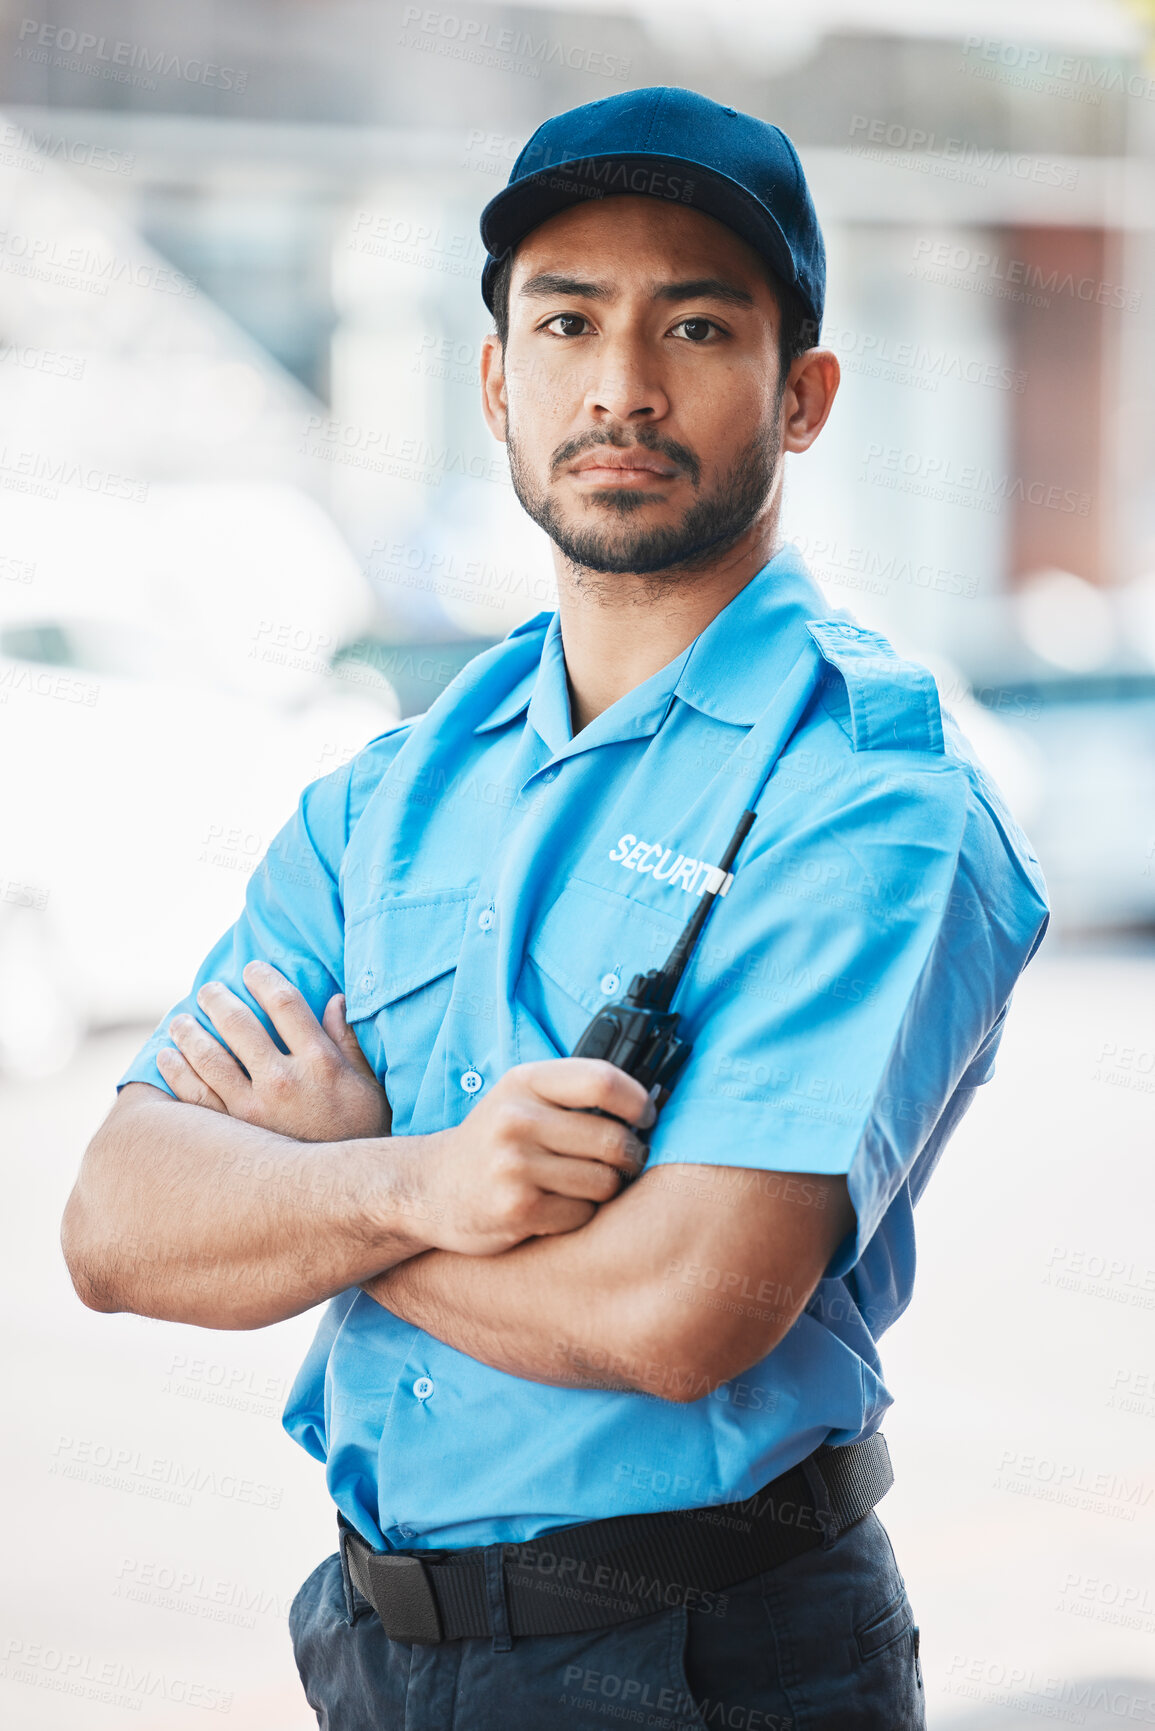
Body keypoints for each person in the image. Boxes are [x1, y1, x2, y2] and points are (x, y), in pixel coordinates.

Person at [62, 86, 1050, 1730]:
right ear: (496, 380)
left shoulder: (872, 801)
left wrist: (320, 1195)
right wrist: (438, 1181)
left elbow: (682, 1311)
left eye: (698, 326)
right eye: (569, 319)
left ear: (800, 396)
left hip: (706, 1655)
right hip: (377, 1653)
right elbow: (118, 1222)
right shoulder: (392, 788)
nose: (621, 384)